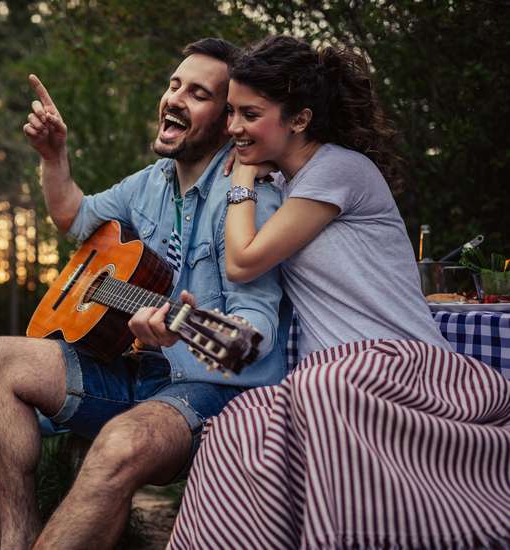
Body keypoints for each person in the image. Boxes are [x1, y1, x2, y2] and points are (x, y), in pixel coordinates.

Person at [169, 35, 510, 549]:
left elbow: (242, 262)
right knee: (238, 426)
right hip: (328, 379)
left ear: (300, 119)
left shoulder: (340, 170)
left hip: (399, 364)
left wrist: (240, 173)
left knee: (322, 387)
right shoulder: (279, 188)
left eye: (249, 114)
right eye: (232, 112)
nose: (232, 126)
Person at [0, 38, 291, 550]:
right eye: (174, 85)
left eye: (199, 93)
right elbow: (75, 218)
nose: (175, 98)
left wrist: (201, 334)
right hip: (135, 371)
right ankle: (17, 537)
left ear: (229, 119)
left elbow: (255, 321)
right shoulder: (150, 182)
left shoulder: (251, 194)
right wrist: (54, 155)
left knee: (118, 442)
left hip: (207, 387)